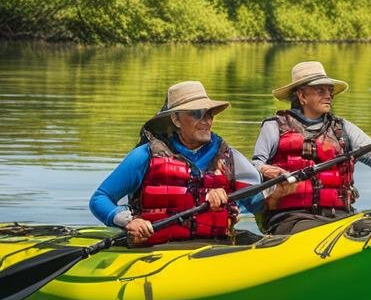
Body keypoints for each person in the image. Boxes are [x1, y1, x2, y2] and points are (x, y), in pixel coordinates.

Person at [89, 80, 265, 246]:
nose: (206, 121)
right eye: (197, 113)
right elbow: (100, 199)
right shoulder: (145, 156)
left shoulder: (230, 158)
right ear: (175, 119)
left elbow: (258, 204)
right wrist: (129, 221)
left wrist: (229, 197)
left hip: (216, 247)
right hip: (157, 250)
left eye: (209, 113)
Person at [253, 61, 371, 235]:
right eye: (320, 90)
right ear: (302, 96)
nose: (328, 95)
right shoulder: (274, 127)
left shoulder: (343, 129)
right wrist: (266, 170)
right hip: (291, 219)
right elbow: (255, 168)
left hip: (341, 217)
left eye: (329, 90)